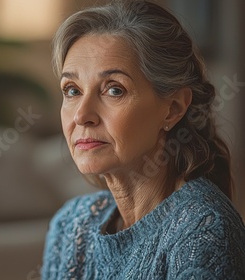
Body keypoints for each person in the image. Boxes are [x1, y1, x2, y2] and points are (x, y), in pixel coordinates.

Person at [41, 1, 245, 279]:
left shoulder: (203, 232)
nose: (82, 115)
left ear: (173, 108)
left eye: (114, 90)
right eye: (72, 90)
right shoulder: (70, 225)